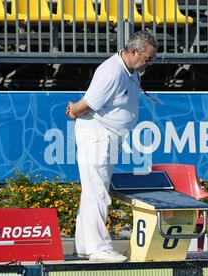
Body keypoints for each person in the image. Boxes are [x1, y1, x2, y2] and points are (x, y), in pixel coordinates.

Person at [66, 30, 158, 262]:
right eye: (148, 58)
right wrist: (73, 110)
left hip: (109, 136)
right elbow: (87, 104)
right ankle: (99, 249)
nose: (150, 63)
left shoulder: (131, 70)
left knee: (92, 192)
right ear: (134, 51)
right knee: (98, 192)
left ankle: (85, 246)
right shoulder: (111, 71)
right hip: (97, 135)